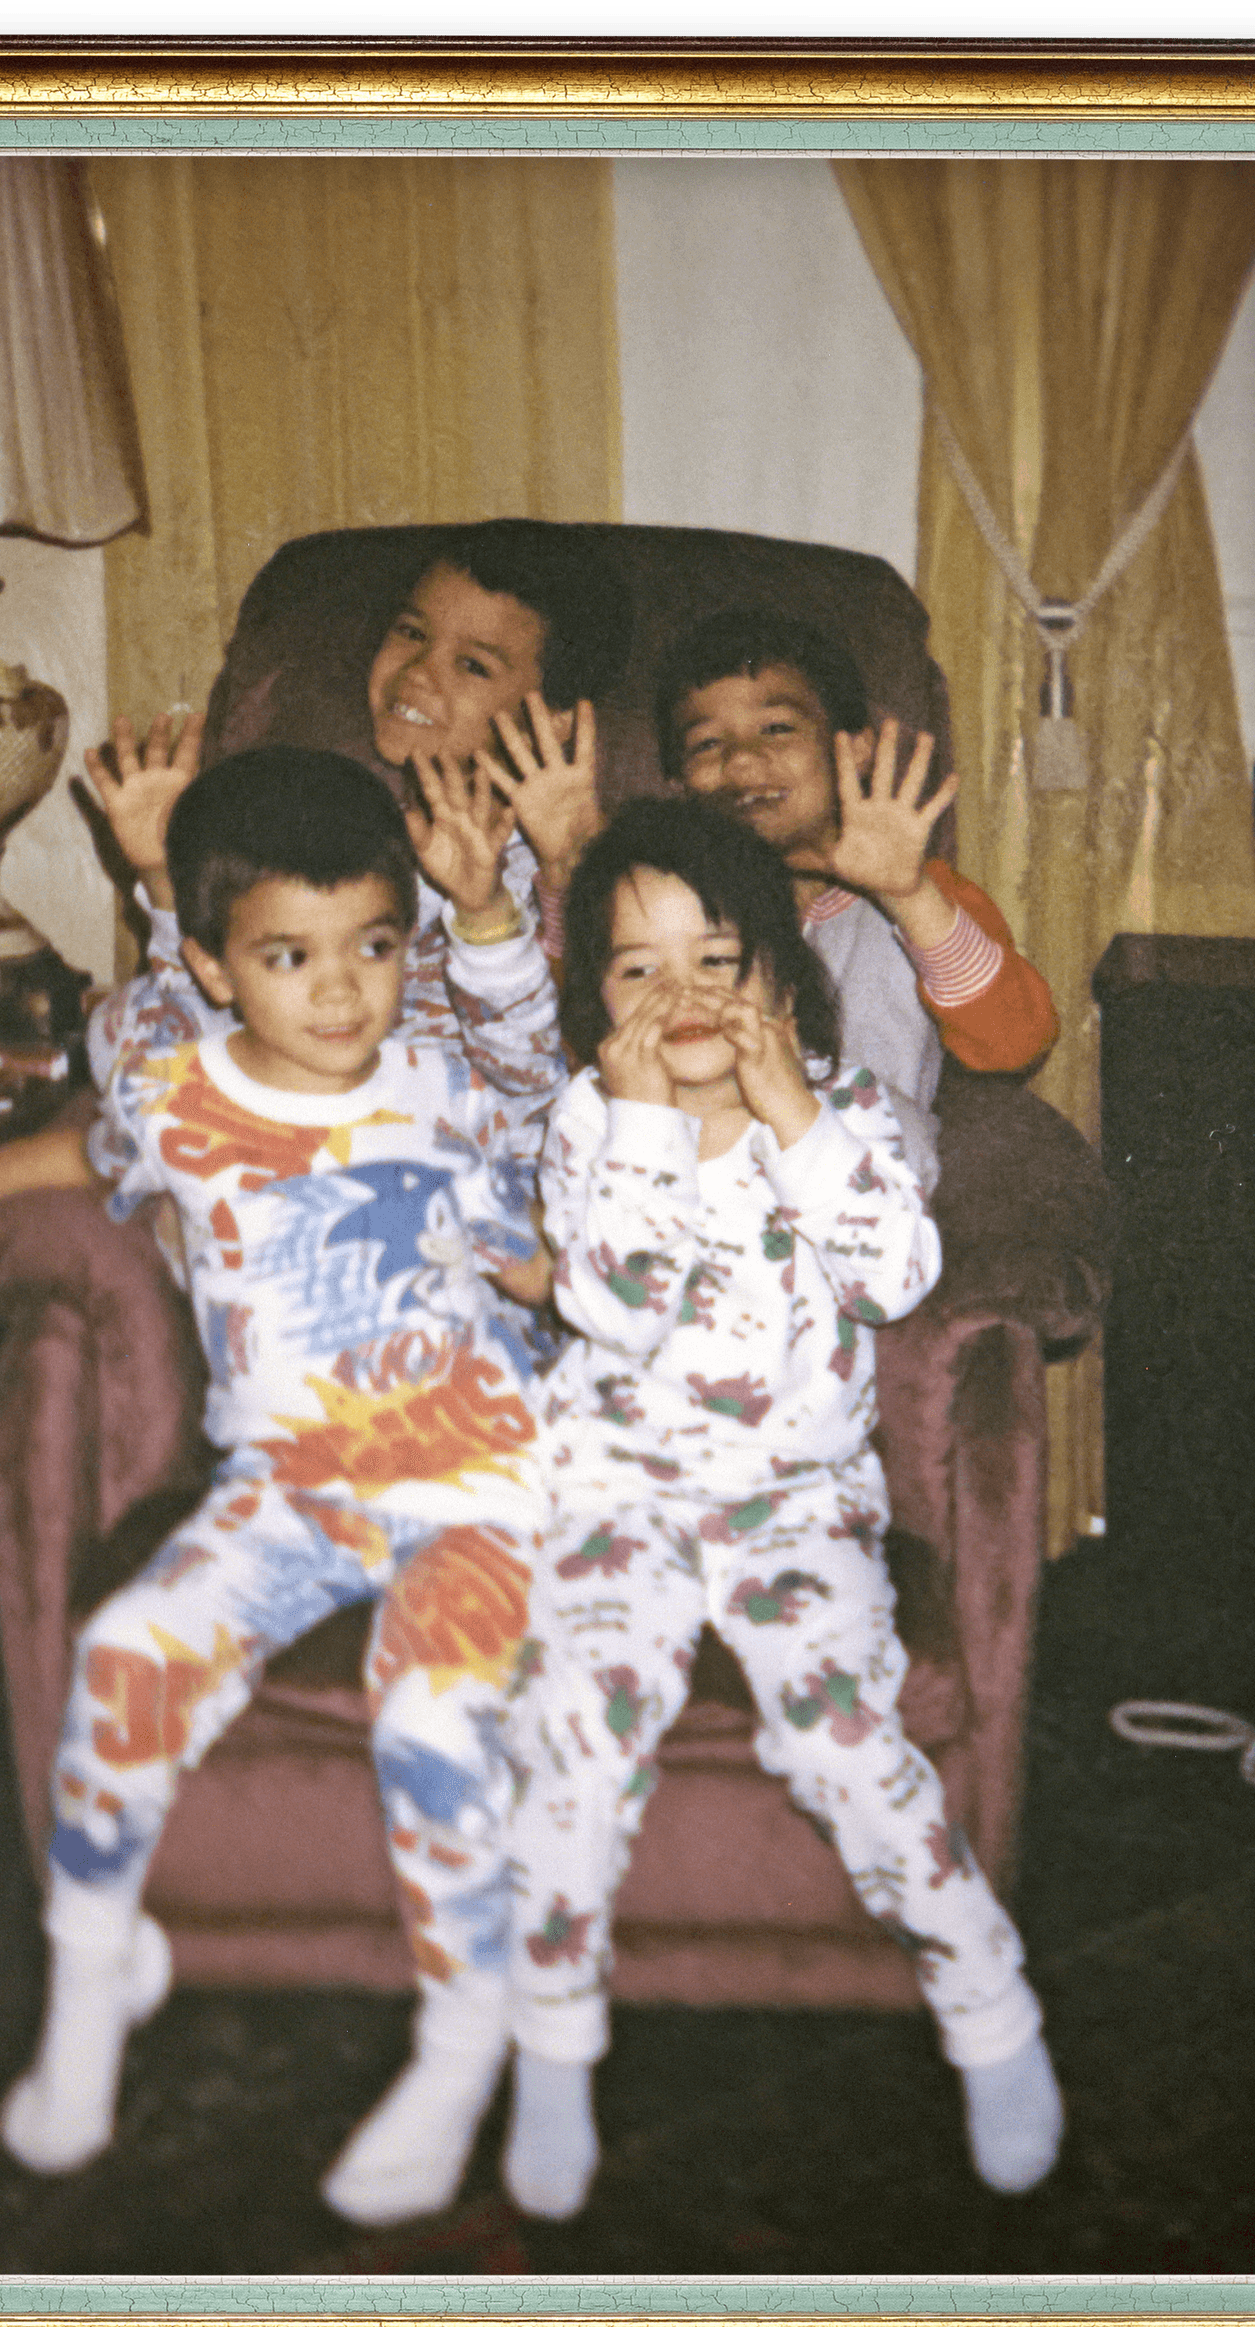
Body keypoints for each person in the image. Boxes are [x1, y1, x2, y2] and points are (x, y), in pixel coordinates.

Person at [0, 750, 561, 2202]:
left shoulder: (447, 1086)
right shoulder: (179, 1095)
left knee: (433, 1701)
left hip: (477, 1487)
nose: (342, 992)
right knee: (131, 1650)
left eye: (375, 948)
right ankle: (93, 1992)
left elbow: (548, 1184)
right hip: (289, 1490)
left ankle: (466, 2036)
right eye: (289, 955)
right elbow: (79, 1148)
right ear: (212, 963)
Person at [494, 798, 1063, 2222]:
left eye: (717, 959)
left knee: (839, 1730)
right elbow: (610, 1304)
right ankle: (554, 2046)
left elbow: (892, 1277)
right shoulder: (586, 1118)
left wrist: (798, 1114)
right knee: (576, 1732)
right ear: (593, 1000)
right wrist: (633, 1124)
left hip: (794, 1505)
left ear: (781, 983)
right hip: (617, 1494)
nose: (681, 995)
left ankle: (986, 2001)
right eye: (636, 968)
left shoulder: (849, 1112)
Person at [84, 519, 634, 1040]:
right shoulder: (328, 837)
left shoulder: (570, 864)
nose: (418, 671)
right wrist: (162, 875)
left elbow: (581, 1051)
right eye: (411, 631)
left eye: (473, 665)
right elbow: (207, 1025)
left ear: (556, 717)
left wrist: (571, 864)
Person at [654, 608, 1059, 1189]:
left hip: (858, 1198)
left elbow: (1017, 1043)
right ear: (677, 787)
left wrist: (908, 893)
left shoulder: (922, 897)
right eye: (706, 744)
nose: (740, 761)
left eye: (777, 729)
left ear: (857, 750)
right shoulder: (663, 902)